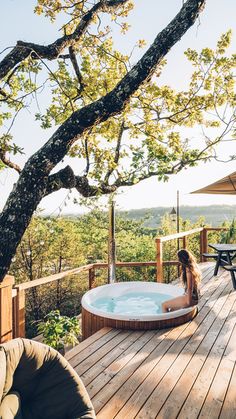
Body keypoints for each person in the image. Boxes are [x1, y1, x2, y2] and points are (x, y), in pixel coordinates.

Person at [162, 249, 201, 313]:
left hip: (190, 298)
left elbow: (190, 287)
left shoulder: (188, 269)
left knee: (164, 305)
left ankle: (165, 323)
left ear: (181, 259)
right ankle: (170, 322)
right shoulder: (193, 266)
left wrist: (188, 302)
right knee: (172, 310)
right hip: (194, 297)